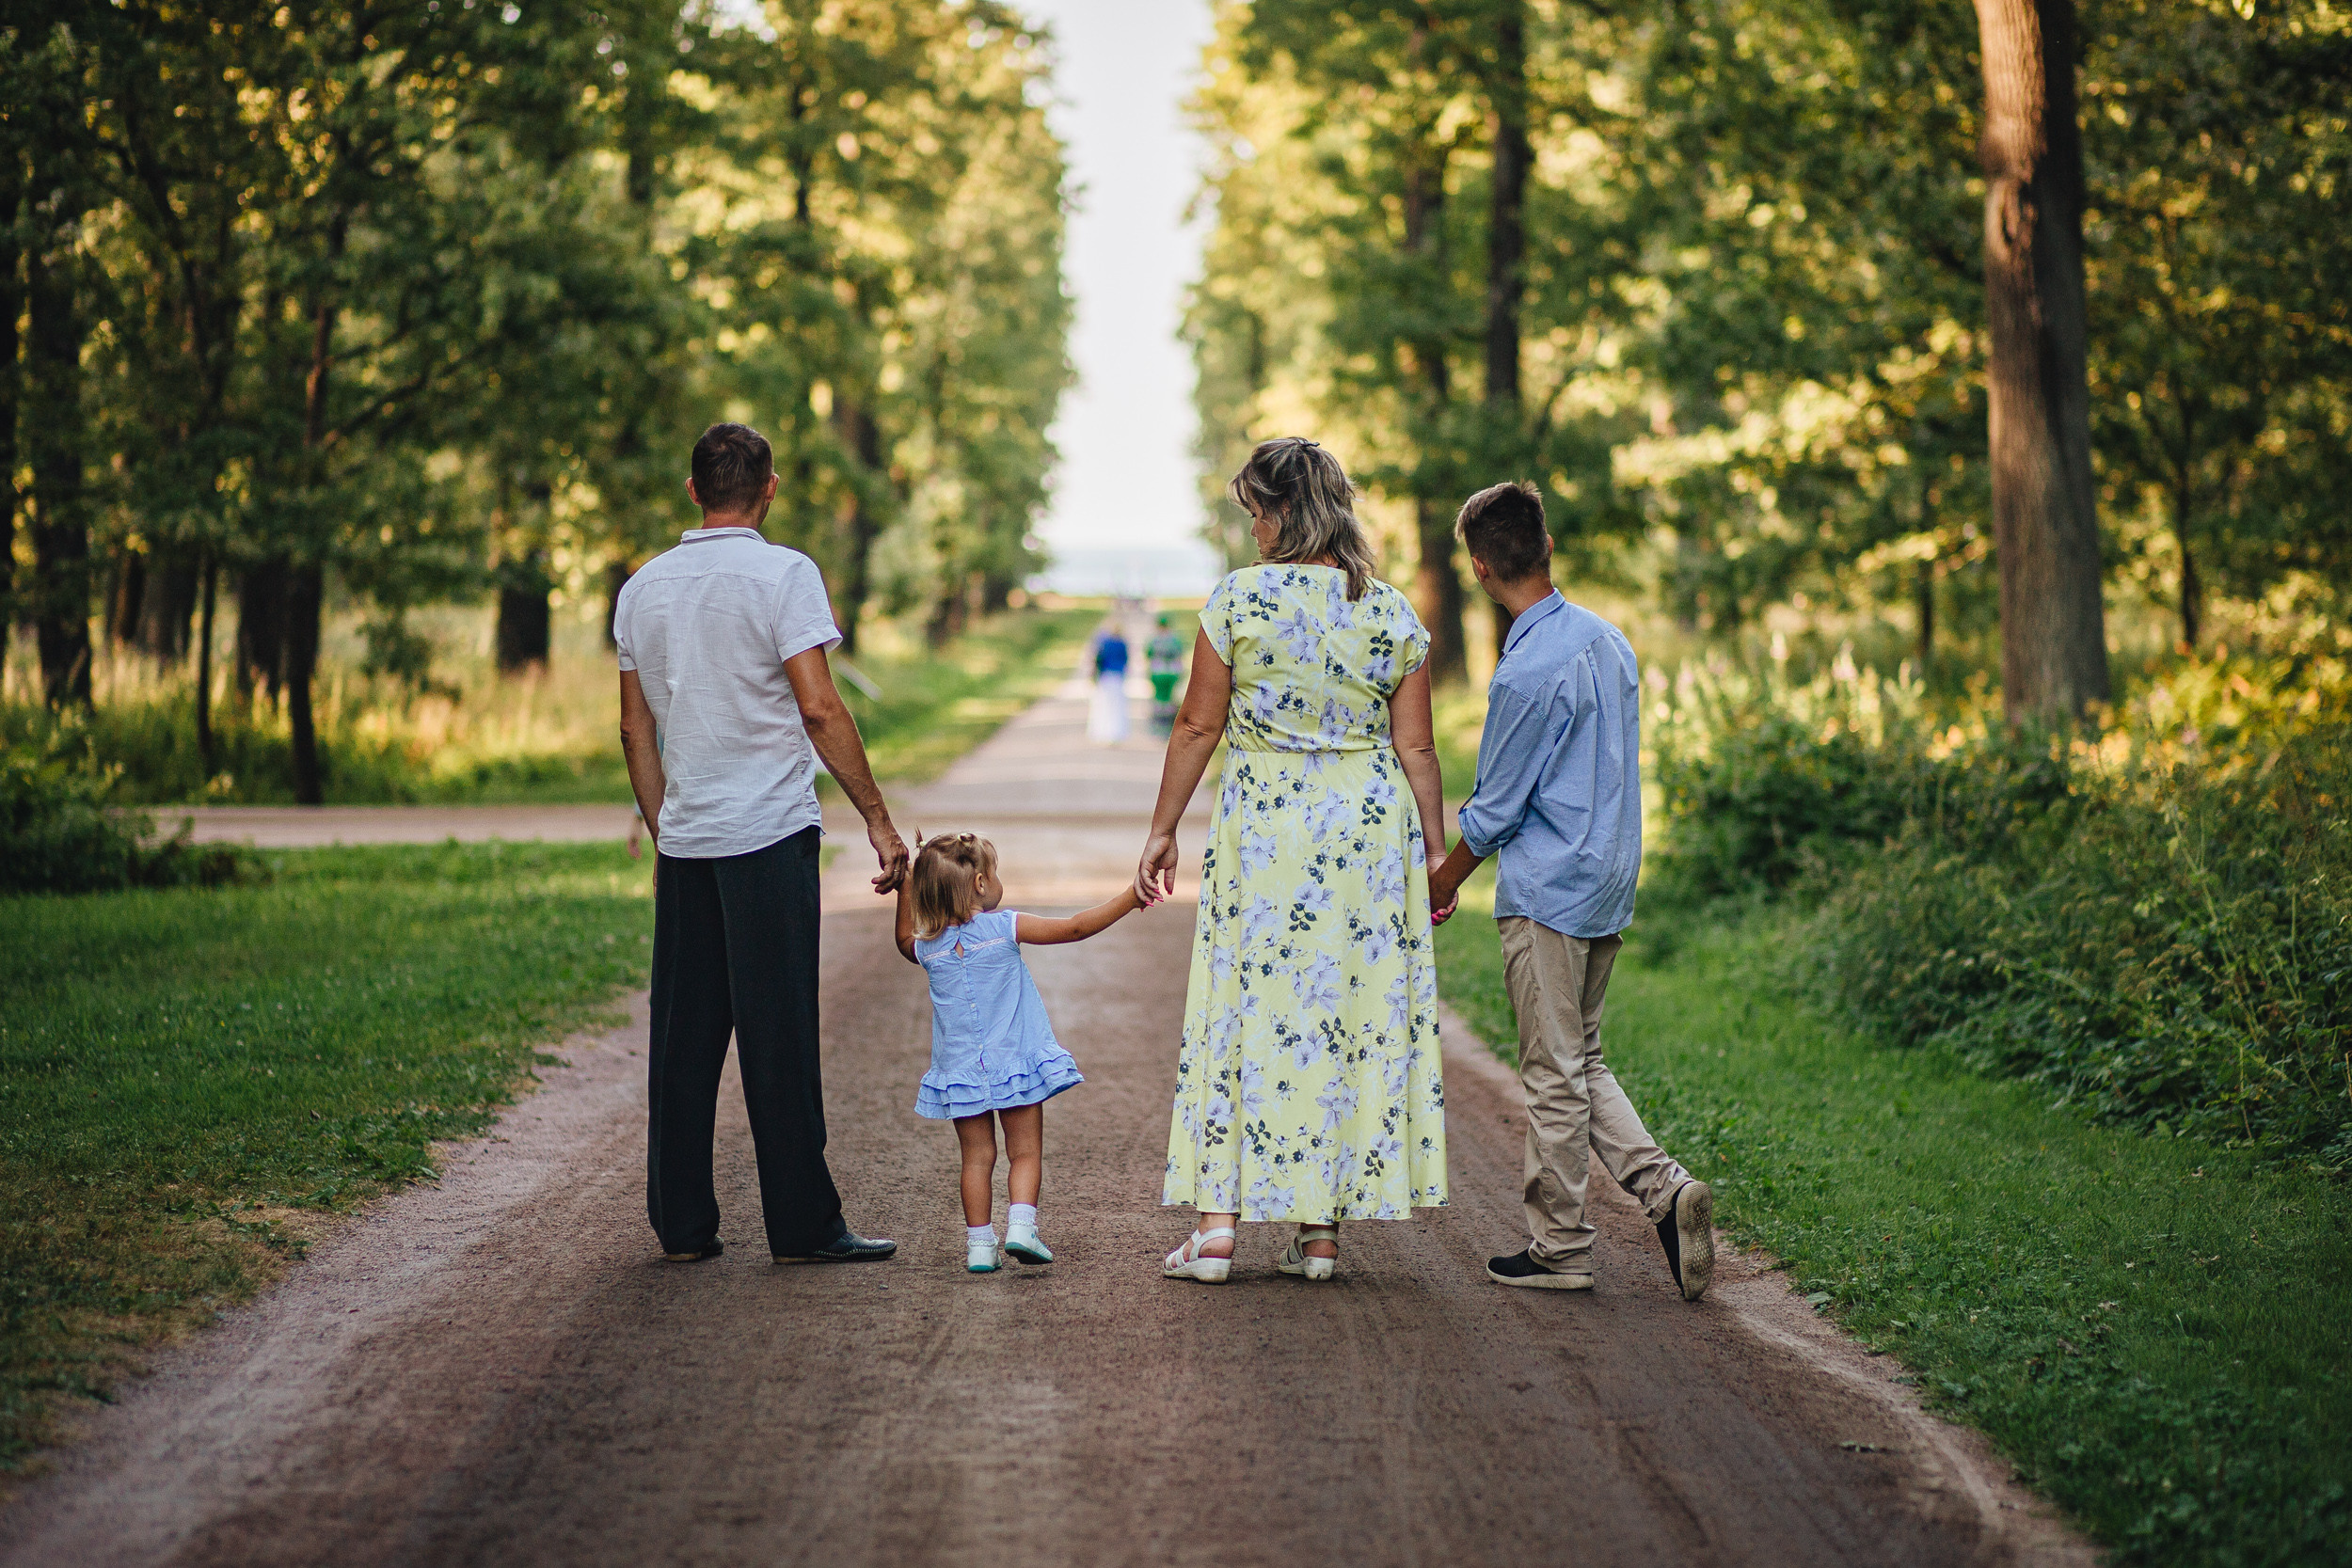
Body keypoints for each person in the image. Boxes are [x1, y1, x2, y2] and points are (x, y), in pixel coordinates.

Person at [1138, 436, 1448, 1284]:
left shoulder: (1237, 602)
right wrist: (1431, 848)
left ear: (1282, 512)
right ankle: (1318, 1235)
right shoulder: (1388, 612)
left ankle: (1216, 1231)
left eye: (1255, 513)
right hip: (1364, 835)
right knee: (1338, 1014)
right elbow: (1415, 746)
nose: (1251, 532)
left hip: (1268, 830)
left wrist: (1163, 827)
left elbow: (1198, 726)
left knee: (1246, 1008)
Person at [614, 421, 907, 1267]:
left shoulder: (642, 589)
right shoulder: (786, 573)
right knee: (777, 1029)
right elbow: (819, 707)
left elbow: (635, 727)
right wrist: (878, 820)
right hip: (769, 834)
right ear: (768, 487)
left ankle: (682, 1223)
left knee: (684, 1032)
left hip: (690, 839)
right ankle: (804, 1225)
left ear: (693, 489)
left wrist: (668, 821)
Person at [1425, 481, 1715, 1300]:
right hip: (1608, 881)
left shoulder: (1524, 668)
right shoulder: (1609, 641)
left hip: (1549, 891)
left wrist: (1440, 885)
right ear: (1546, 546)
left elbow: (1495, 808)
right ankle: (1666, 1193)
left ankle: (1559, 1245)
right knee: (1581, 1057)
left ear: (1480, 567)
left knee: (1552, 1073)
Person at [895, 832, 1155, 1272]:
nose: (999, 882)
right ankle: (1021, 1226)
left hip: (961, 1073)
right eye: (994, 874)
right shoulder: (1003, 927)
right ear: (980, 884)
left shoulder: (928, 947)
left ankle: (980, 1245)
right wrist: (1131, 897)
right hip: (1015, 1065)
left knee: (976, 1159)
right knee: (1025, 1153)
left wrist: (904, 887)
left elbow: (903, 938)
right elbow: (1074, 928)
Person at [1087, 621, 1132, 743]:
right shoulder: (1122, 643)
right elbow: (1126, 660)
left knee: (1105, 705)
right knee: (1117, 706)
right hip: (1118, 676)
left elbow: (1098, 660)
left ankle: (1104, 732)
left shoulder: (1104, 643)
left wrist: (1094, 675)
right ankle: (1116, 733)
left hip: (1106, 676)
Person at [1145, 614, 1187, 735]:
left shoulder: (1155, 640)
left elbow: (1148, 654)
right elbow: (1180, 656)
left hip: (1158, 671)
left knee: (1158, 698)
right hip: (1172, 672)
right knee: (1170, 699)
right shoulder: (1174, 639)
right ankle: (1168, 727)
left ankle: (1158, 726)